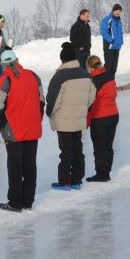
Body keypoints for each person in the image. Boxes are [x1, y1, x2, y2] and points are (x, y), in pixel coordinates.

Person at [0, 49, 44, 212]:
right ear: (17, 60)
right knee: (29, 165)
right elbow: (42, 101)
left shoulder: (4, 80)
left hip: (13, 131)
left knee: (15, 166)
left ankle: (15, 201)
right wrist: (36, 121)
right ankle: (28, 200)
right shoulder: (33, 76)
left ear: (3, 64)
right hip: (32, 128)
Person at [45, 42, 96, 190]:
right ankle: (76, 180)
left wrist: (49, 113)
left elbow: (53, 100)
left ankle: (65, 181)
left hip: (63, 121)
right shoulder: (86, 75)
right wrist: (82, 109)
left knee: (66, 151)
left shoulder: (59, 76)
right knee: (77, 149)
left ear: (62, 60)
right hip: (79, 119)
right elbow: (92, 97)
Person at [86, 55, 119, 181]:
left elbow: (93, 105)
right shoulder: (109, 76)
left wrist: (87, 121)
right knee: (108, 145)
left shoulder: (94, 81)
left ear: (89, 67)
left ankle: (102, 174)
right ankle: (106, 171)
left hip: (100, 118)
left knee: (99, 146)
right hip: (113, 114)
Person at [100, 4, 124, 76]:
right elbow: (104, 32)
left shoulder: (119, 21)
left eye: (120, 11)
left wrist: (121, 41)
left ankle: (111, 84)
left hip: (117, 47)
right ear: (113, 11)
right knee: (108, 67)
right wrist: (111, 40)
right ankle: (104, 84)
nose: (118, 12)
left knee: (114, 68)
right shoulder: (107, 20)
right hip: (109, 47)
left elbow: (120, 33)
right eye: (117, 10)